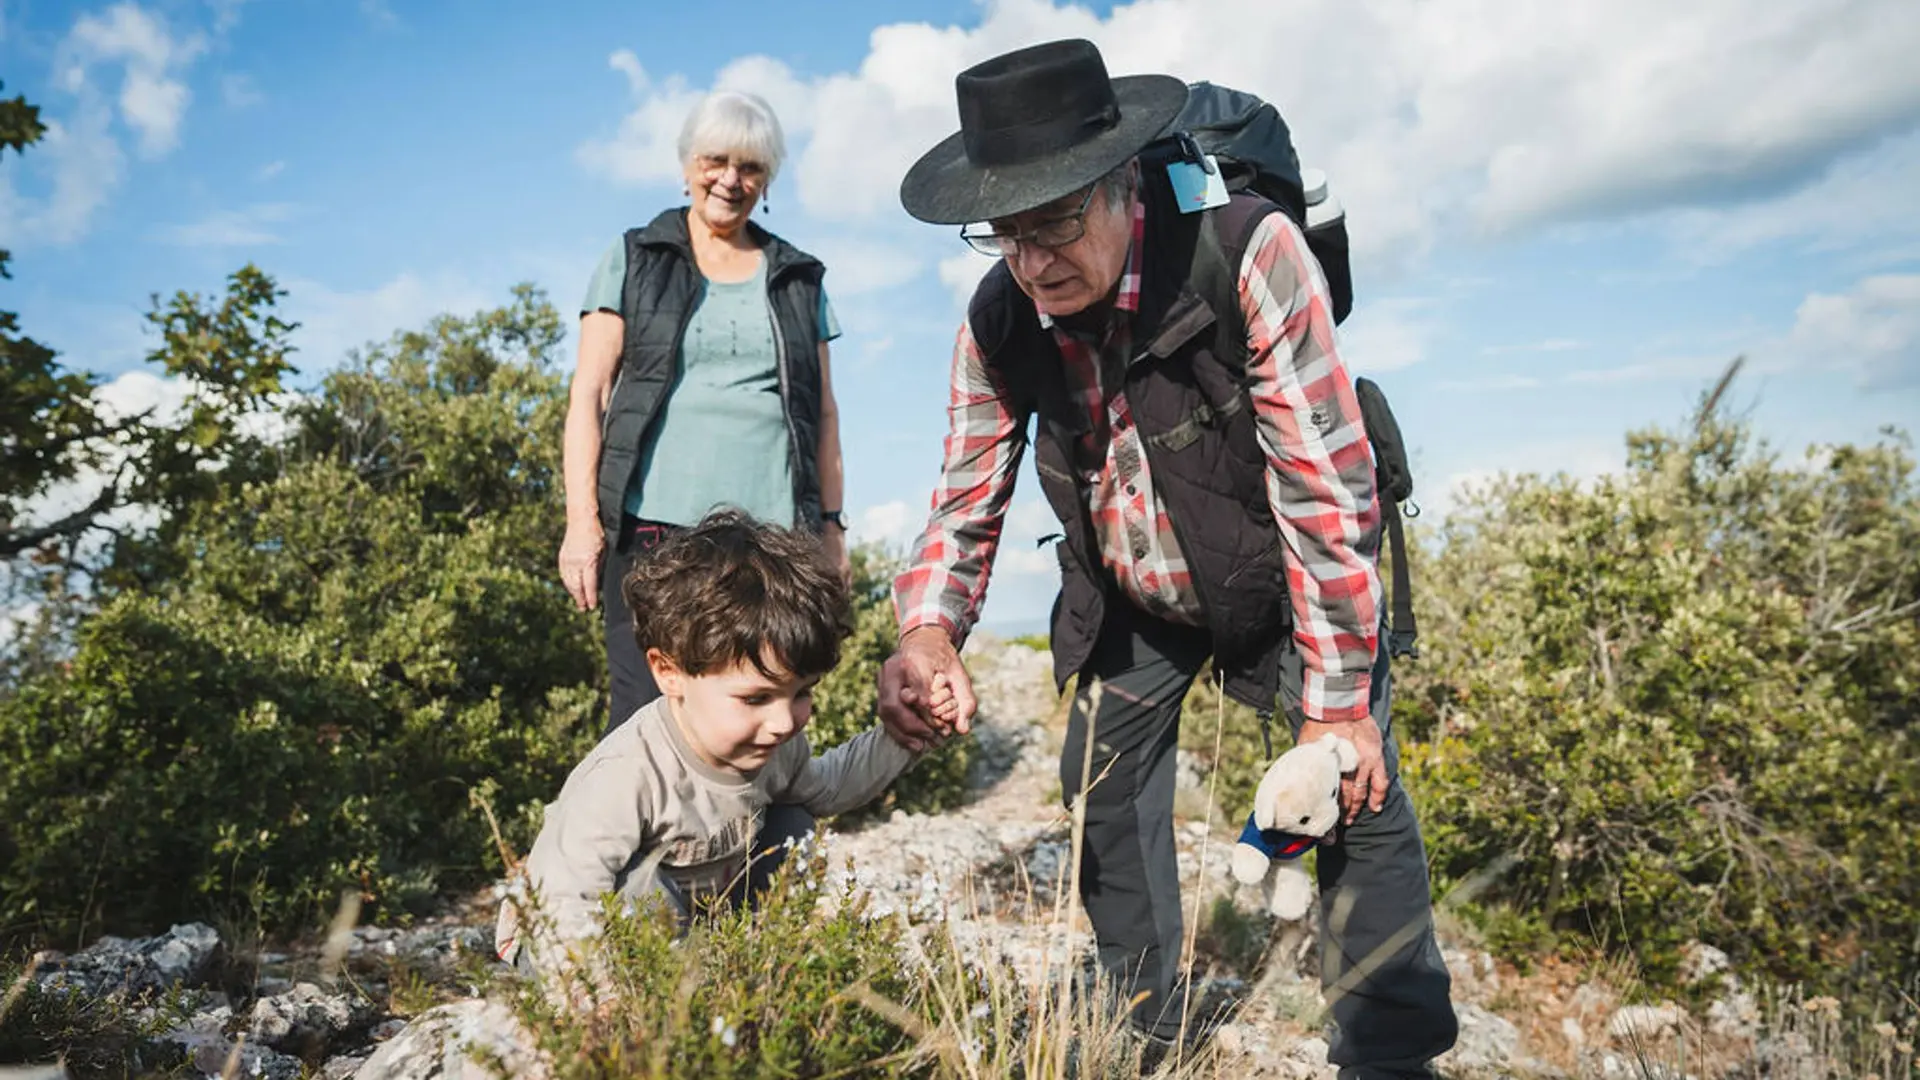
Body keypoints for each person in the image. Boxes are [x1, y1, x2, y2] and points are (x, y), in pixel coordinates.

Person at [879, 39, 1458, 1078]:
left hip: (1284, 572)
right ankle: (1140, 1025)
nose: (1031, 262)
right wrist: (927, 631)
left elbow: (1326, 485)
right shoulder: (1000, 319)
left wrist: (1335, 710)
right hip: (1134, 585)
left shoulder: (1248, 250)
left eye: (1056, 222)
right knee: (1102, 779)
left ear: (1120, 184)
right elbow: (965, 493)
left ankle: (1389, 1056)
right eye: (1005, 233)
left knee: (1352, 790)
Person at [497, 509, 949, 978]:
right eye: (755, 698)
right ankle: (661, 990)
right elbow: (566, 895)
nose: (782, 722)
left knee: (793, 824)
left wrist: (909, 733)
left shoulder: (771, 745)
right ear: (669, 672)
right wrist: (598, 999)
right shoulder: (626, 773)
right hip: (560, 941)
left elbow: (830, 788)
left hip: (689, 922)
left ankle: (740, 969)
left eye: (802, 693)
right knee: (641, 888)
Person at [556, 89, 851, 738]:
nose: (730, 180)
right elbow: (590, 394)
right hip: (653, 534)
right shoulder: (636, 256)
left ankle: (761, 818)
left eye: (750, 167)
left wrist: (832, 530)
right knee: (645, 715)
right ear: (687, 163)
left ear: (767, 179)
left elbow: (824, 415)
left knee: (765, 711)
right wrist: (582, 522)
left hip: (772, 539)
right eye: (715, 160)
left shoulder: (798, 277)